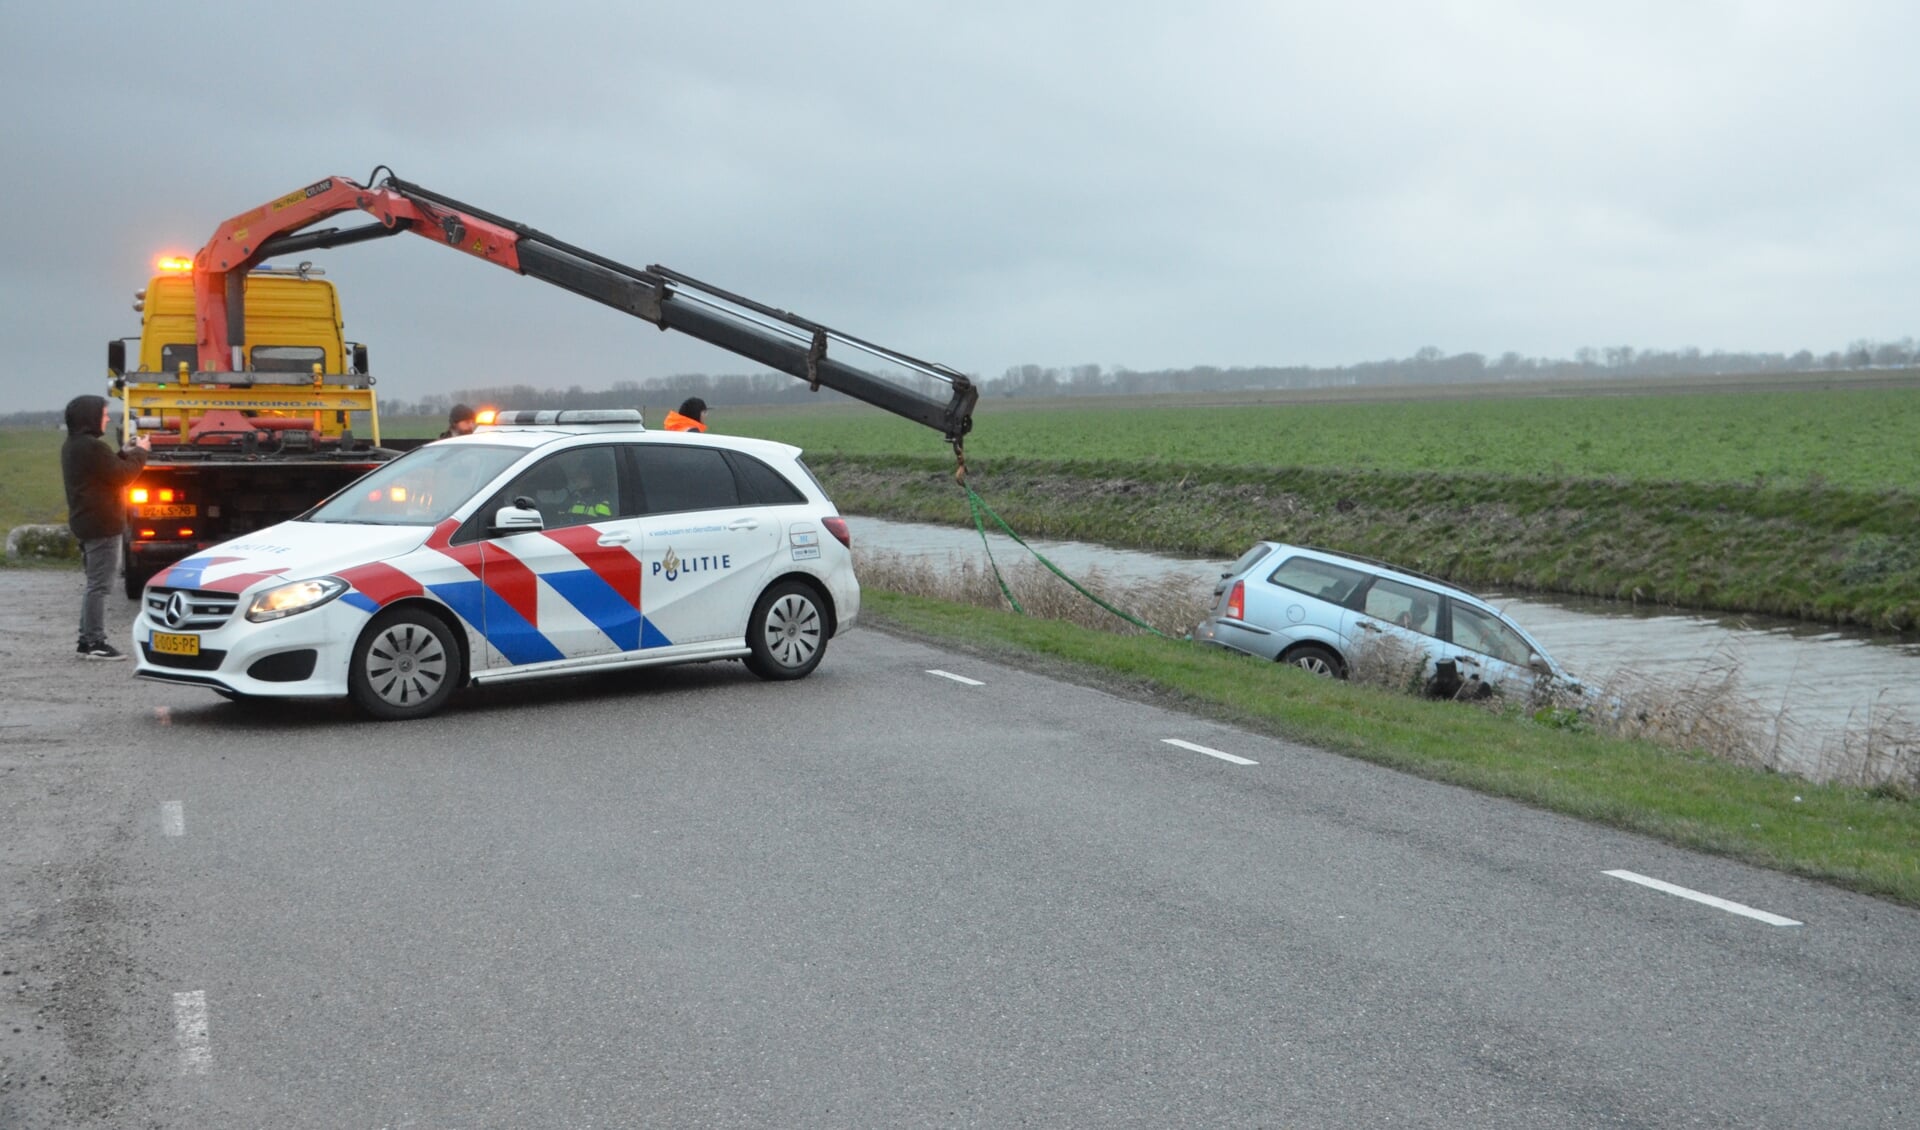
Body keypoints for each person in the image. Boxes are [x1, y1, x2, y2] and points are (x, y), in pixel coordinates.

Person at [62, 395, 149, 660]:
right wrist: (142, 452)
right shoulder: (92, 448)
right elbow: (123, 475)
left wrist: (125, 451)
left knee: (93, 584)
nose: (108, 418)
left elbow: (107, 467)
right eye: (103, 413)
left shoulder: (74, 445)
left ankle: (85, 639)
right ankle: (96, 643)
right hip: (102, 525)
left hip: (86, 523)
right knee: (99, 587)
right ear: (90, 417)